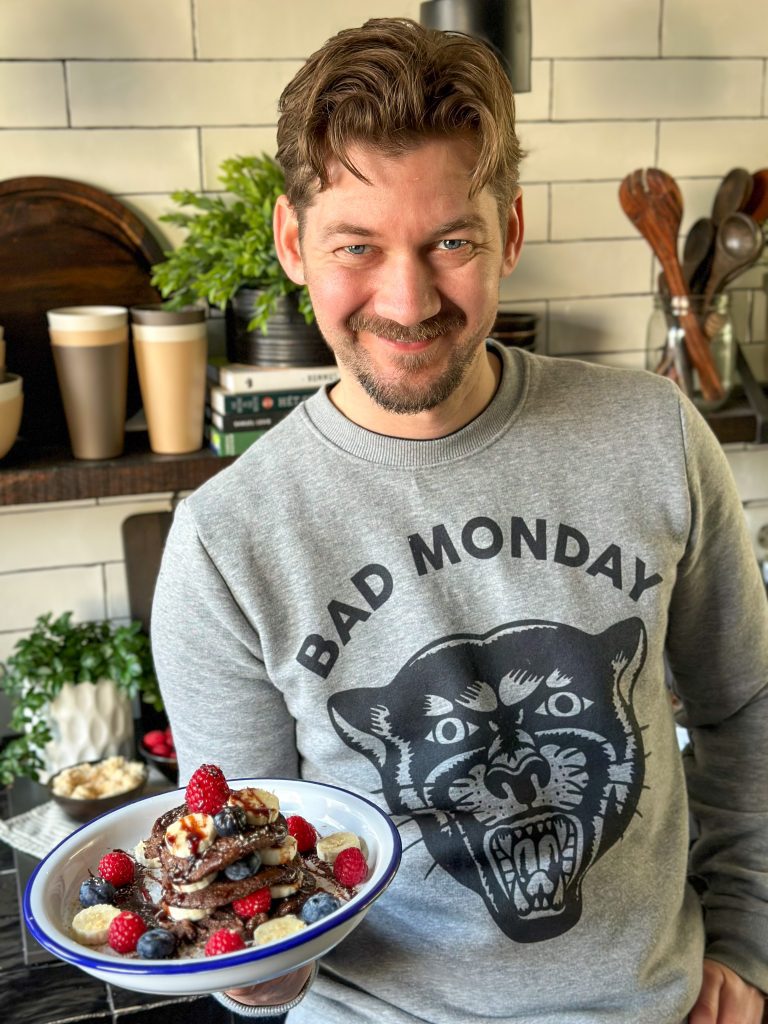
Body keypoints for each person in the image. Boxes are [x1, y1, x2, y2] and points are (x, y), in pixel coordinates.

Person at [151, 17, 768, 1024]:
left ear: (510, 234)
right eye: (358, 245)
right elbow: (251, 873)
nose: (408, 298)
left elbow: (747, 702)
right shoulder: (227, 541)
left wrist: (748, 934)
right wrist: (251, 970)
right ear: (292, 242)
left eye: (451, 242)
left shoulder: (653, 433)